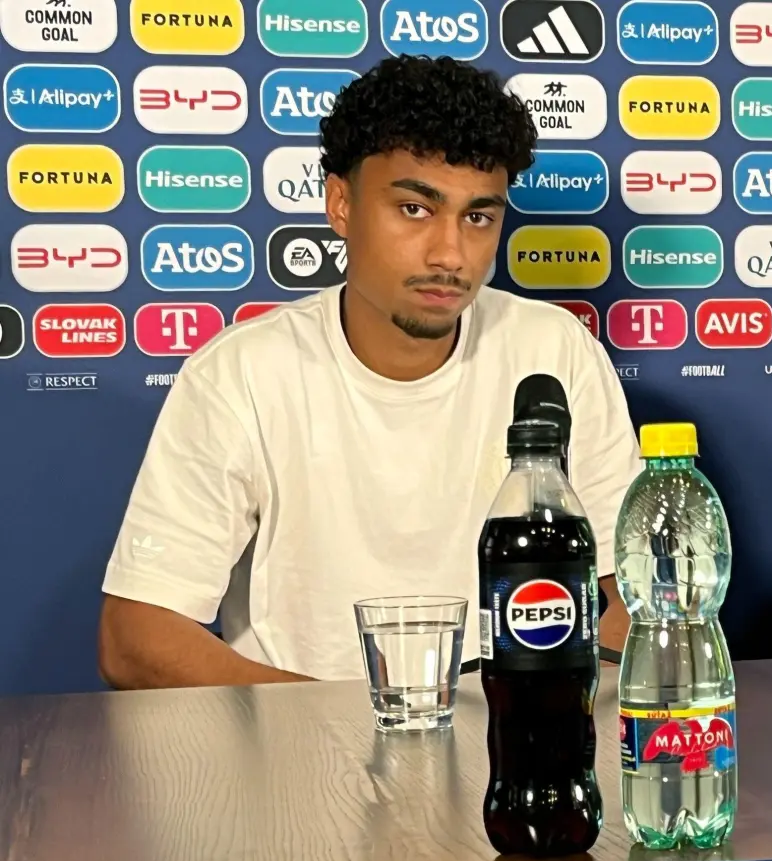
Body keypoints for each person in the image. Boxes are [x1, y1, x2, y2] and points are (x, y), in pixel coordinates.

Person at [98, 56, 640, 688]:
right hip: (300, 758)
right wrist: (360, 727)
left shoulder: (554, 349)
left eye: (478, 217)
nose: (449, 254)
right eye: (415, 209)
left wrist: (524, 712)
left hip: (507, 755)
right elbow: (134, 636)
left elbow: (639, 602)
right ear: (341, 204)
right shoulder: (243, 372)